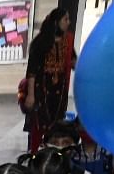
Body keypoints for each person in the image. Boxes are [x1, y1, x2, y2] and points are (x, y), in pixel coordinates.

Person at [22, 8, 76, 154]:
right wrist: (31, 95)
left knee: (56, 122)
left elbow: (73, 61)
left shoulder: (67, 41)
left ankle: (52, 153)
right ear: (56, 22)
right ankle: (35, 154)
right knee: (39, 123)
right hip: (42, 90)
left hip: (59, 91)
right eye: (65, 19)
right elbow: (31, 71)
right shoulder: (41, 42)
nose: (68, 22)